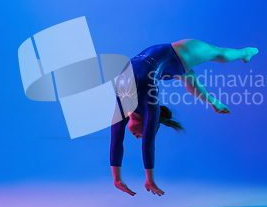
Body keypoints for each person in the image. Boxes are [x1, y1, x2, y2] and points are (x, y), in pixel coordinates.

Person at [110, 39, 259, 196]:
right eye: (143, 135)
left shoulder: (137, 106)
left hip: (176, 53)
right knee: (189, 78)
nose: (138, 137)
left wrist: (149, 179)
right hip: (164, 67)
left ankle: (245, 53)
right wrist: (117, 180)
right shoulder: (143, 104)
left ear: (146, 123)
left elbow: (147, 143)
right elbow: (117, 142)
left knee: (216, 53)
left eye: (142, 134)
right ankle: (215, 103)